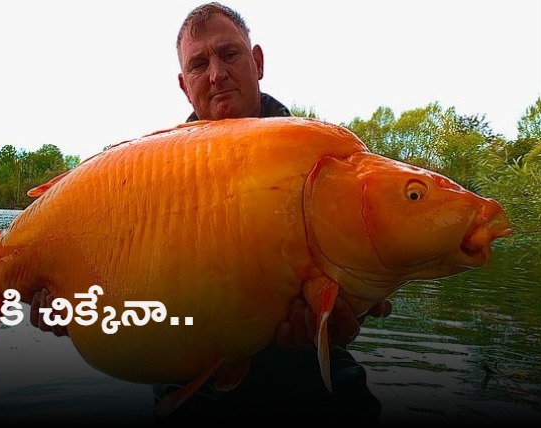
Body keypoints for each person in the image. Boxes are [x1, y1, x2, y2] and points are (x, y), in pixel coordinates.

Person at [30, 2, 392, 423]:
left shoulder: (325, 163)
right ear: (185, 86)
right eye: (199, 64)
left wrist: (355, 312)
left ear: (257, 61)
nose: (217, 74)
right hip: (191, 390)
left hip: (311, 385)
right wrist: (71, 305)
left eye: (229, 54)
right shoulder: (144, 176)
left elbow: (372, 283)